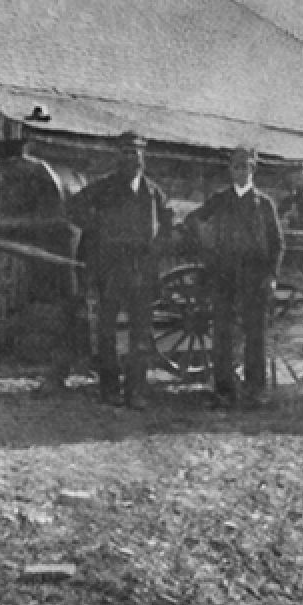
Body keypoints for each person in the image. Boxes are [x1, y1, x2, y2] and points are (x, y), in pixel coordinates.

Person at [64, 131, 172, 409]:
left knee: (140, 334)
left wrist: (156, 248)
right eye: (126, 153)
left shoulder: (153, 192)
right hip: (110, 269)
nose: (132, 159)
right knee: (107, 332)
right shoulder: (104, 188)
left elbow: (168, 224)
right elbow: (72, 208)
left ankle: (136, 391)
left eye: (136, 154)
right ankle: (109, 389)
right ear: (118, 157)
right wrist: (96, 229)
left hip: (141, 271)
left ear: (143, 158)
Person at [185, 147, 285, 409]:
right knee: (222, 334)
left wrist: (272, 275)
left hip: (255, 275)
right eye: (237, 167)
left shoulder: (264, 203)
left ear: (253, 170)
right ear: (231, 170)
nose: (241, 172)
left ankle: (256, 391)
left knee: (255, 334)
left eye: (246, 167)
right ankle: (224, 391)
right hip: (224, 274)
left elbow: (277, 243)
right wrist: (206, 247)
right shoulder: (219, 200)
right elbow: (193, 219)